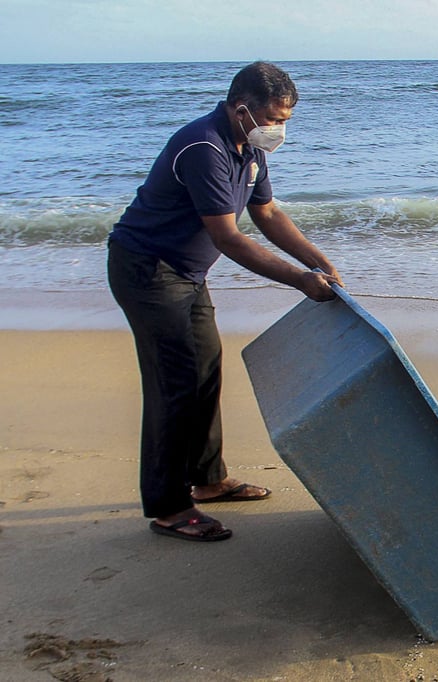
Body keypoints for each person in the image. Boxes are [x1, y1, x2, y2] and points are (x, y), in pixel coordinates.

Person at [108, 62, 341, 542]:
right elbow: (230, 239)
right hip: (149, 272)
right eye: (273, 118)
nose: (278, 129)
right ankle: (169, 507)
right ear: (242, 109)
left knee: (206, 369)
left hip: (187, 275)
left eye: (286, 121)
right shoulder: (205, 147)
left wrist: (319, 260)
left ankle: (209, 480)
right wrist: (300, 281)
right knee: (174, 385)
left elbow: (269, 213)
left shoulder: (248, 148)